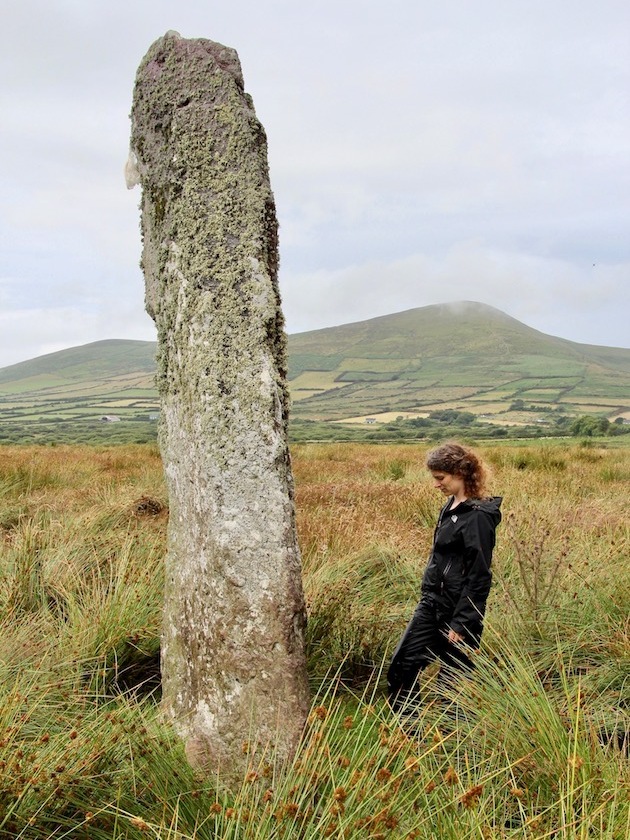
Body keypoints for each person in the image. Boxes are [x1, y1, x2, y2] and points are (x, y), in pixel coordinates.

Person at [387, 442, 502, 713]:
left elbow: (479, 575)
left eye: (440, 478)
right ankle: (411, 732)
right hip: (432, 604)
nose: (436, 484)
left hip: (457, 611)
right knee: (402, 667)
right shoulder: (450, 506)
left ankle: (454, 738)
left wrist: (462, 623)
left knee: (453, 687)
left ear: (460, 473)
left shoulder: (478, 517)